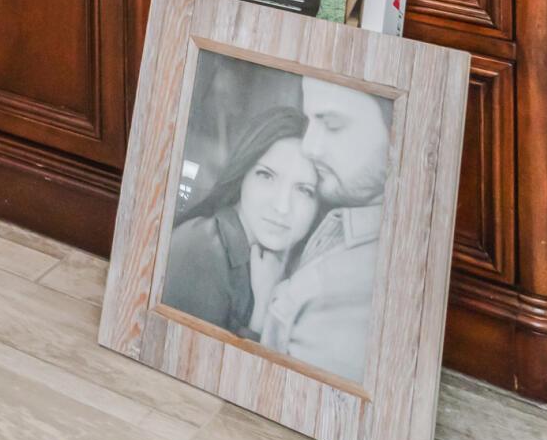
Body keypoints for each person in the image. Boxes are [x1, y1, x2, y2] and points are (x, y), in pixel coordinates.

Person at [260, 76, 393, 385]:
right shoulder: (330, 219)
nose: (309, 147)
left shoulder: (346, 290)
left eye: (332, 125)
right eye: (310, 122)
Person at [155, 107, 323, 339]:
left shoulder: (291, 265)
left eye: (304, 190)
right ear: (243, 173)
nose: (282, 207)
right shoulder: (201, 249)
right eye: (266, 176)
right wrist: (262, 311)